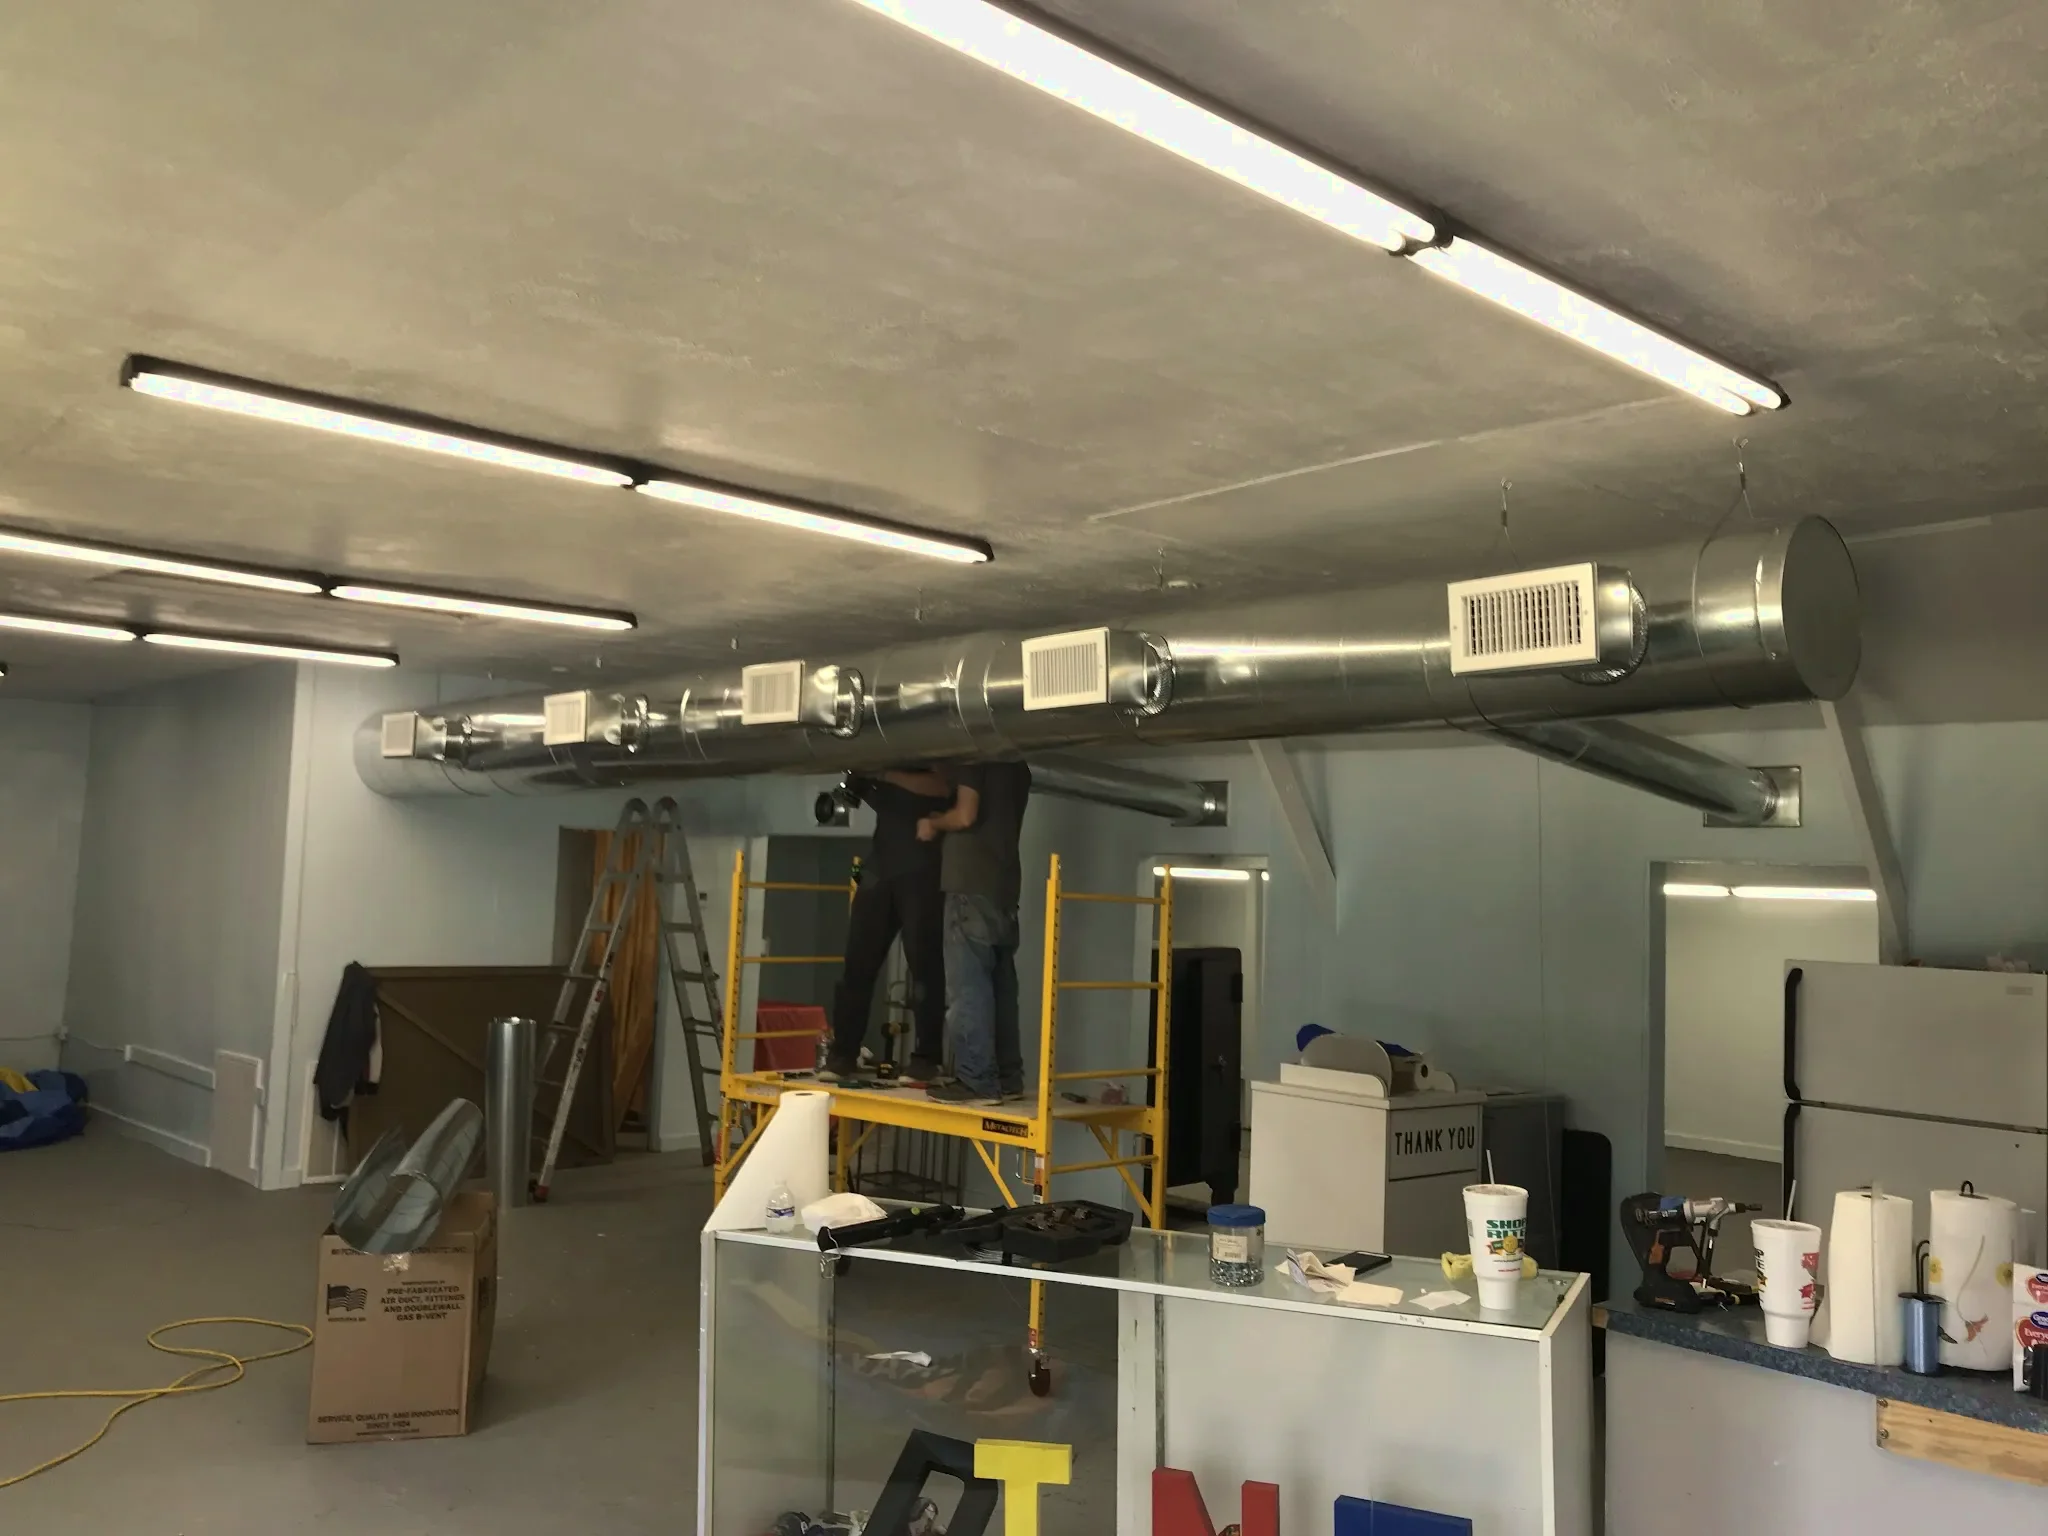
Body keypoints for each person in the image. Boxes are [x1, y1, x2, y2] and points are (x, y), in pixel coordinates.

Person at [819, 767, 952, 1085]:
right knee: (857, 962)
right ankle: (843, 1054)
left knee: (924, 966)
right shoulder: (881, 762)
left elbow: (945, 786)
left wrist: (885, 775)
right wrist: (866, 781)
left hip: (921, 867)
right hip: (880, 866)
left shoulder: (933, 752)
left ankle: (927, 1059)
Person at [917, 759, 1032, 1106]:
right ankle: (1008, 1078)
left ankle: (976, 1079)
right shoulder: (1017, 765)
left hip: (970, 885)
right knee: (1000, 986)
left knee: (967, 986)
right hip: (1004, 888)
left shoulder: (974, 757)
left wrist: (934, 822)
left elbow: (965, 815)